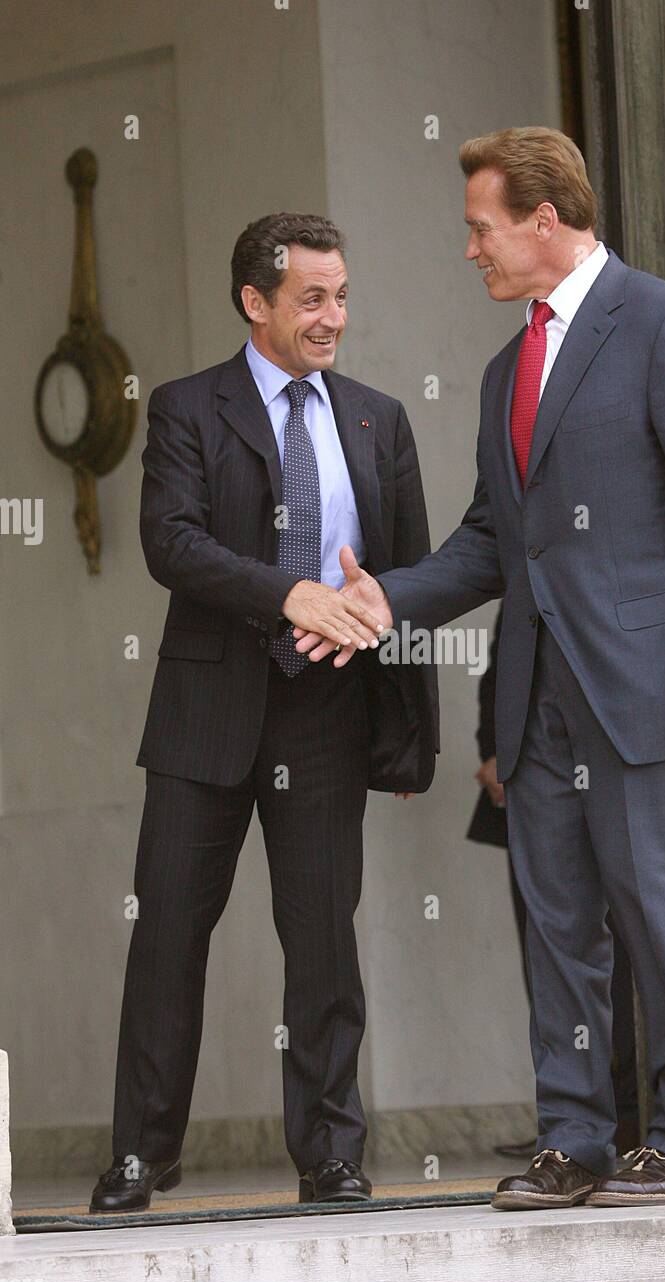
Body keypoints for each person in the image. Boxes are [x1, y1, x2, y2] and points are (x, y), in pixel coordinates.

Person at [295, 127, 665, 1209]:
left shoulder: (664, 326)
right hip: (536, 697)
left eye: (480, 228)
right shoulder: (507, 365)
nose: (470, 249)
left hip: (647, 683)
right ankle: (576, 1139)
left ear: (542, 221)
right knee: (557, 923)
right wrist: (384, 597)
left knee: (659, 909)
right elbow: (488, 542)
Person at [90, 213, 437, 1213]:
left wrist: (405, 725)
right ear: (256, 301)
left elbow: (407, 572)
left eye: (340, 295)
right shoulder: (189, 408)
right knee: (166, 939)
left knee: (323, 939)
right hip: (207, 707)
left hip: (325, 710)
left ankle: (330, 1151)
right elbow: (171, 541)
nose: (333, 317)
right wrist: (287, 594)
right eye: (311, 299)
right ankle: (139, 1154)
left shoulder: (376, 418)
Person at [468, 605, 639, 1161]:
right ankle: (570, 1128)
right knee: (548, 945)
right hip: (533, 775)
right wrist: (492, 750)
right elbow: (504, 667)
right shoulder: (529, 555)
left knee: (630, 952)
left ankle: (634, 1116)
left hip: (622, 760)